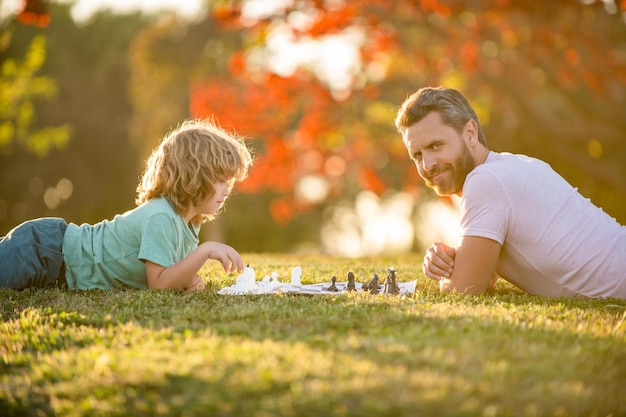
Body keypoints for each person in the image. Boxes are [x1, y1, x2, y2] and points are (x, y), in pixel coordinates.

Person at [395, 86, 626, 298]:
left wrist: (448, 276)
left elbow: (464, 289)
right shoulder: (513, 165)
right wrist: (455, 257)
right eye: (417, 155)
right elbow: (486, 271)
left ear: (470, 133)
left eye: (436, 145)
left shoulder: (485, 181)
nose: (427, 164)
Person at [0, 118, 253, 292]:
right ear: (195, 176)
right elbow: (160, 284)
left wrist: (188, 280)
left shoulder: (187, 225)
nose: (227, 189)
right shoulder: (161, 217)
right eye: (221, 180)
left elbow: (168, 273)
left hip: (55, 271)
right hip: (44, 250)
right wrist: (206, 250)